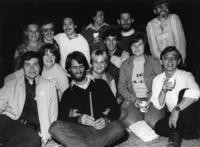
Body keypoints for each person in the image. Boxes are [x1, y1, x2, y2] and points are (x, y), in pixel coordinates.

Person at [49, 51, 126, 147]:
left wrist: (106, 120)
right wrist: (79, 119)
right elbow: (61, 118)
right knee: (54, 127)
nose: (79, 70)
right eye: (74, 67)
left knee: (119, 127)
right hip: (81, 132)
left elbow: (116, 109)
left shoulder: (101, 84)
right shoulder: (67, 94)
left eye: (81, 66)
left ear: (86, 67)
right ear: (69, 70)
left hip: (103, 130)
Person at [0, 51, 58, 147]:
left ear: (40, 67)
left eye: (35, 64)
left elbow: (53, 115)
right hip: (11, 123)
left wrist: (47, 137)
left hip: (31, 130)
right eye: (27, 65)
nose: (32, 68)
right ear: (22, 67)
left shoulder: (49, 86)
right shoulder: (12, 84)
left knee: (33, 140)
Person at [151, 46, 200, 147]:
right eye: (166, 57)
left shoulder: (186, 75)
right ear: (161, 61)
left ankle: (175, 139)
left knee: (184, 92)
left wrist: (176, 110)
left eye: (174, 57)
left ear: (178, 61)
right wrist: (163, 91)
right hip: (178, 119)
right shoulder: (157, 80)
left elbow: (196, 92)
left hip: (191, 115)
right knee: (158, 127)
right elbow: (158, 105)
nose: (170, 61)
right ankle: (191, 133)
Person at [118, 32, 164, 129]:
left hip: (152, 98)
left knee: (154, 123)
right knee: (130, 123)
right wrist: (134, 99)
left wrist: (150, 98)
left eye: (140, 44)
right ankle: (139, 116)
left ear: (144, 45)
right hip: (134, 98)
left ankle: (148, 116)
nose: (137, 48)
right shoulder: (125, 64)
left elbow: (161, 83)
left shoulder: (154, 61)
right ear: (130, 48)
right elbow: (121, 86)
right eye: (134, 45)